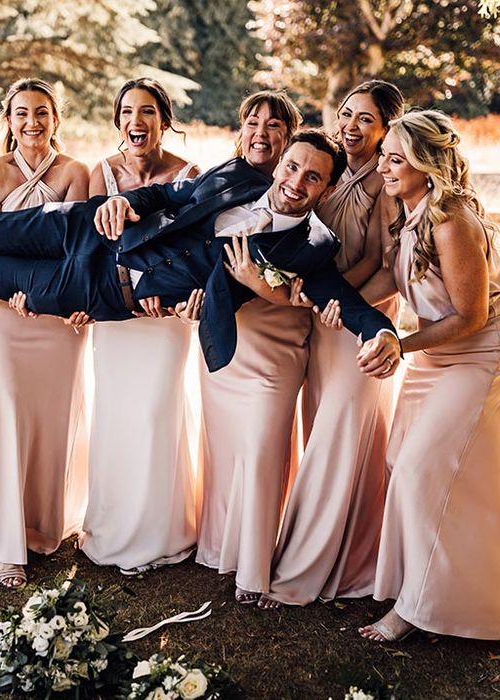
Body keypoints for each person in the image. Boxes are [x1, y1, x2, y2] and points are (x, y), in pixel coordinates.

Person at [0, 130, 400, 377]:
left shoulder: (310, 250)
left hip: (104, 292)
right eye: (292, 166)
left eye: (312, 178)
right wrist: (128, 203)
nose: (294, 182)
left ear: (325, 187)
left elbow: (344, 302)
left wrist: (382, 335)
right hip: (85, 231)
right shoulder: (240, 178)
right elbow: (172, 191)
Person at [352, 110, 500, 641]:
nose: (383, 167)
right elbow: (392, 284)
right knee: (402, 465)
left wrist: (399, 343)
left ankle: (414, 611)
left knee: (420, 469)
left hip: (477, 355)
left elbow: (471, 315)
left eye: (395, 159)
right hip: (435, 357)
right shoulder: (407, 211)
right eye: (383, 156)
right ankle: (419, 583)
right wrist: (322, 303)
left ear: (426, 164)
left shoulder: (450, 221)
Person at [266, 80, 404, 607]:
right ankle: (350, 555)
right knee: (320, 430)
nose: (350, 126)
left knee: (339, 440)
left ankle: (310, 567)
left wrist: (348, 316)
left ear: (388, 129)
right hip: (321, 321)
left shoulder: (385, 183)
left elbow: (388, 266)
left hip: (357, 323)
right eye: (346, 114)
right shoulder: (332, 170)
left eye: (365, 120)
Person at [191, 90, 316, 605]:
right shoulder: (221, 182)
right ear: (241, 130)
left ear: (290, 138)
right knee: (227, 446)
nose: (262, 133)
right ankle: (221, 546)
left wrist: (269, 287)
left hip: (279, 338)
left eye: (274, 126)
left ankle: (256, 566)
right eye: (253, 123)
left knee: (264, 449)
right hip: (228, 339)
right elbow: (189, 243)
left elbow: (312, 282)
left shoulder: (308, 192)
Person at [0, 78, 90, 588]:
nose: (32, 122)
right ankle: (5, 543)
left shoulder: (76, 173)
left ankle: (42, 526)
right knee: (8, 409)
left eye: (42, 112)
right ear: (8, 120)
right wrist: (10, 286)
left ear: (56, 119)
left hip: (57, 316)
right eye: (22, 113)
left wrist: (62, 299)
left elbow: (81, 250)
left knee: (50, 419)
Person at [78, 78, 199, 574]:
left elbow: (195, 249)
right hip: (114, 316)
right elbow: (87, 253)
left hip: (164, 320)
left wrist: (169, 299)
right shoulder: (98, 174)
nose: (137, 121)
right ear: (117, 121)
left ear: (164, 121)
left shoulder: (191, 174)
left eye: (148, 111)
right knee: (115, 415)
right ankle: (110, 528)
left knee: (154, 414)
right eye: (127, 111)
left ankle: (161, 533)